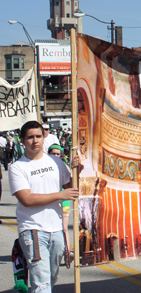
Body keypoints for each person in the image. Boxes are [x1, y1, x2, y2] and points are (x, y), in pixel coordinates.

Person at [8, 121, 79, 292]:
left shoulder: (56, 162)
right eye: (30, 137)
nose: (35, 141)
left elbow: (71, 189)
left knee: (51, 277)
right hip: (33, 229)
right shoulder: (17, 168)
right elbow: (27, 199)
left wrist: (79, 170)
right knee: (42, 283)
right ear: (22, 140)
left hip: (56, 230)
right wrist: (59, 195)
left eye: (38, 136)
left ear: (43, 137)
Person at [47, 143, 73, 261]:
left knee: (64, 228)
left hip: (65, 202)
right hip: (51, 202)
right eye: (53, 154)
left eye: (58, 154)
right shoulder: (46, 167)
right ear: (49, 154)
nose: (56, 156)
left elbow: (70, 185)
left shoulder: (64, 167)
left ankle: (68, 252)